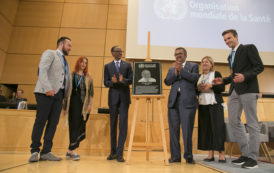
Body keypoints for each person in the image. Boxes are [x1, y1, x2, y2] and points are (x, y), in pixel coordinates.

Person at [213, 29, 264, 169]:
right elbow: (234, 75)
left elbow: (259, 67)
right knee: (234, 121)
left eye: (229, 38)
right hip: (234, 91)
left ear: (236, 37)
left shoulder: (249, 48)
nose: (227, 41)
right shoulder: (230, 56)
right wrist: (223, 80)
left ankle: (253, 159)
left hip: (248, 89)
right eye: (225, 40)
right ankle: (245, 154)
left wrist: (245, 76)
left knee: (252, 123)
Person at [29, 36, 71, 162]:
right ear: (61, 44)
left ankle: (46, 151)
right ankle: (35, 151)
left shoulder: (65, 61)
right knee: (41, 121)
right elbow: (42, 70)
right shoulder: (50, 53)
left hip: (59, 96)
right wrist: (47, 88)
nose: (70, 48)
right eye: (69, 45)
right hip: (45, 93)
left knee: (53, 124)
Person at [164, 47, 199, 164]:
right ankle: (175, 156)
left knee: (187, 131)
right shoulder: (171, 68)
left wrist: (182, 71)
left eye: (179, 53)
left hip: (188, 102)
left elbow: (194, 78)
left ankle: (188, 156)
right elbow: (167, 81)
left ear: (185, 55)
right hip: (173, 102)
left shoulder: (193, 66)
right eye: (175, 54)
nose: (177, 56)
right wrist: (175, 72)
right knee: (173, 131)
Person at [104, 46, 133, 162]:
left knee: (123, 126)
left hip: (124, 99)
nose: (120, 53)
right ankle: (113, 152)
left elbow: (131, 80)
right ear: (112, 53)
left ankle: (120, 153)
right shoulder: (107, 66)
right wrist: (112, 82)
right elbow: (105, 82)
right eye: (118, 51)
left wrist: (123, 81)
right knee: (113, 126)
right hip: (113, 99)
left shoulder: (127, 65)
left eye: (121, 51)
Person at [64, 56, 94, 161]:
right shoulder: (71, 75)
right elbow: (66, 92)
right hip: (73, 103)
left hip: (84, 105)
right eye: (82, 62)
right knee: (74, 125)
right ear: (78, 63)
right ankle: (72, 151)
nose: (84, 64)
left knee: (81, 125)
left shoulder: (88, 77)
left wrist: (90, 104)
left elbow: (91, 93)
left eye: (86, 63)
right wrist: (65, 107)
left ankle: (69, 150)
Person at [197, 56, 226, 163]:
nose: (204, 63)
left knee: (218, 129)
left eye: (207, 62)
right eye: (203, 61)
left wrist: (211, 86)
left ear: (211, 64)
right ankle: (210, 154)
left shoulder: (216, 74)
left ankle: (222, 154)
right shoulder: (199, 76)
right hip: (203, 105)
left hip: (215, 104)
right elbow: (196, 91)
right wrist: (198, 89)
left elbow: (222, 88)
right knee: (207, 130)